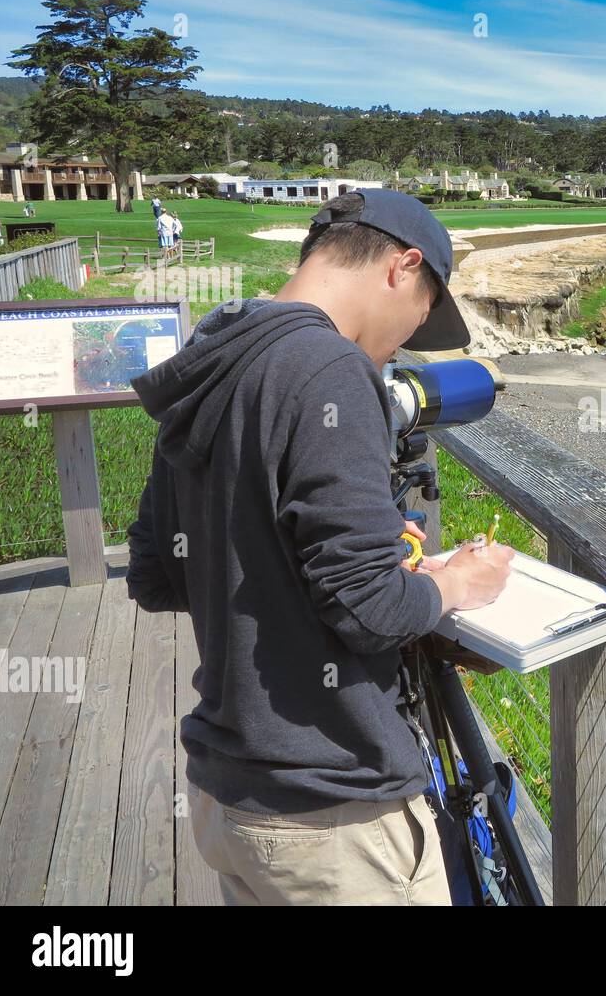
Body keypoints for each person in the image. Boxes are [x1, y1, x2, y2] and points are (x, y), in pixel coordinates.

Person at [126, 189, 512, 906]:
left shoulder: (213, 356)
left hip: (230, 798)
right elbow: (368, 608)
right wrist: (458, 582)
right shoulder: (330, 369)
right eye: (420, 319)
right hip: (331, 816)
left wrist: (309, 566)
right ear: (403, 267)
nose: (399, 348)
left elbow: (156, 573)